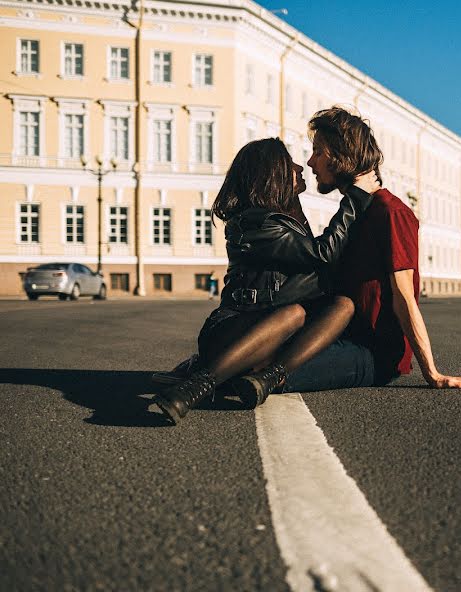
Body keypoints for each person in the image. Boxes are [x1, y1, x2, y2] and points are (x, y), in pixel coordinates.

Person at [151, 137, 379, 424]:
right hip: (232, 332)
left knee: (343, 306)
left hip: (271, 339)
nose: (299, 167)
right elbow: (323, 254)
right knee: (295, 313)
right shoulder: (257, 224)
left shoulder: (287, 217)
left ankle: (267, 379)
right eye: (289, 163)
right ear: (273, 174)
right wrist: (355, 198)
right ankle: (197, 386)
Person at [283, 107, 461, 391]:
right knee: (258, 357)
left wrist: (433, 373)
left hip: (372, 351)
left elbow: (404, 297)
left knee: (278, 373)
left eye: (318, 151)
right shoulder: (353, 211)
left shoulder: (391, 212)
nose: (310, 161)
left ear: (341, 156)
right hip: (337, 334)